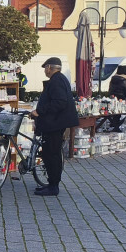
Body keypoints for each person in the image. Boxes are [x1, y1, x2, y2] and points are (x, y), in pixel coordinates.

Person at [30, 57, 78, 197]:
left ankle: (53, 186)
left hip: (54, 124)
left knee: (51, 154)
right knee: (51, 154)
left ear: (50, 68)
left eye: (45, 68)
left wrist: (39, 111)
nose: (45, 70)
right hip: (55, 123)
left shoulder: (56, 81)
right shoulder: (60, 79)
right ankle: (52, 183)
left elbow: (59, 102)